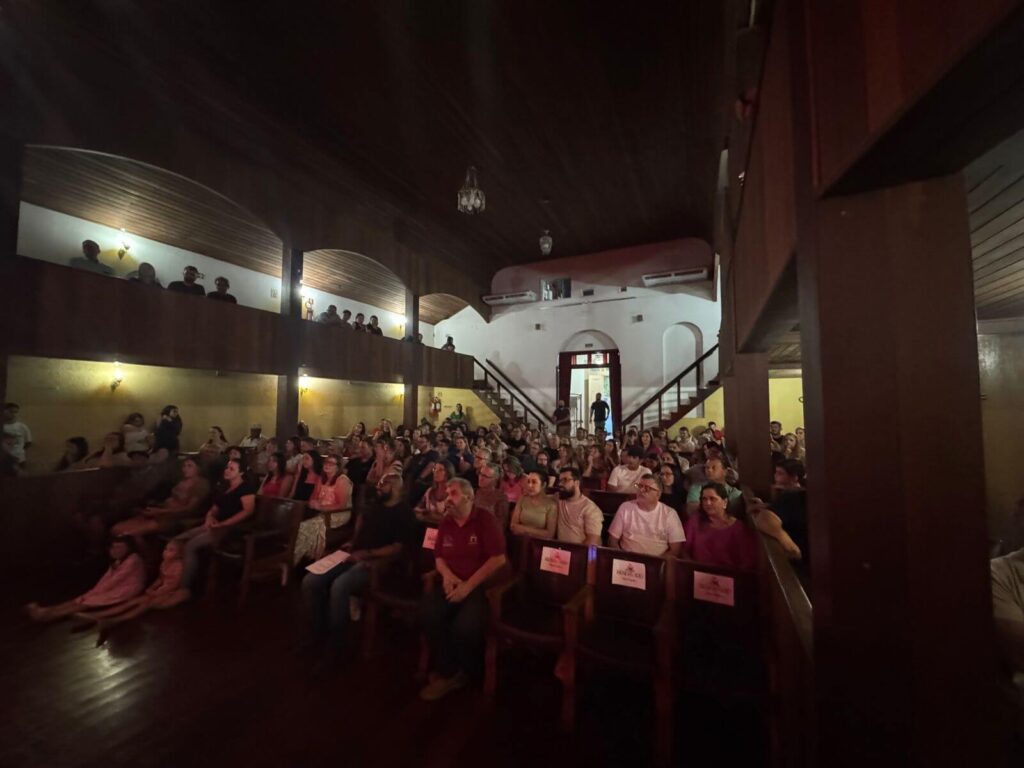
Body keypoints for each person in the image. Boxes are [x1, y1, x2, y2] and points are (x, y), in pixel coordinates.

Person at [302, 470, 414, 657]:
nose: (378, 487)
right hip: (353, 554)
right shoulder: (376, 506)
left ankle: (337, 643)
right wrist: (352, 542)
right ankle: (317, 631)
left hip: (376, 563)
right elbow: (362, 531)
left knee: (340, 585)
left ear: (394, 487)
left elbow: (397, 548)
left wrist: (367, 554)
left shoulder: (404, 513)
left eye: (383, 484)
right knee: (310, 581)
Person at [419, 478, 507, 700]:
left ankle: (466, 671)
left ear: (469, 497)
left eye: (454, 493)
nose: (448, 498)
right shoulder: (446, 522)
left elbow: (498, 559)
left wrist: (467, 586)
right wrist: (447, 576)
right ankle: (448, 670)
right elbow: (439, 556)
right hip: (452, 582)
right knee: (428, 613)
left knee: (465, 626)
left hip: (479, 586)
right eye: (447, 493)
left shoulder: (485, 520)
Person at [73, 540, 190, 640]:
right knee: (133, 601)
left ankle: (114, 620)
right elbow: (161, 578)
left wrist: (156, 592)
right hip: (160, 591)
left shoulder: (178, 567)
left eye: (171, 550)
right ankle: (97, 616)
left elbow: (172, 585)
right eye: (166, 549)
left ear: (179, 555)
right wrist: (152, 588)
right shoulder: (165, 563)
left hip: (170, 593)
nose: (166, 552)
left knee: (145, 603)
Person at [177, 458, 256, 591]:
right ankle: (173, 580)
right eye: (227, 468)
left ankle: (184, 587)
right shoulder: (225, 487)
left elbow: (247, 511)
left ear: (241, 472)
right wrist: (209, 517)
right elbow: (214, 508)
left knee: (190, 546)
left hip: (231, 529)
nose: (227, 471)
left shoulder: (245, 488)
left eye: (231, 469)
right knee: (178, 540)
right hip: (215, 525)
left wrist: (223, 524)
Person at [25, 537, 145, 622]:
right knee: (81, 599)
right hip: (116, 586)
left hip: (127, 589)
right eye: (114, 547)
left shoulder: (132, 560)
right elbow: (107, 578)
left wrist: (97, 592)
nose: (115, 550)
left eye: (120, 547)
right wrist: (96, 590)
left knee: (88, 601)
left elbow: (116, 579)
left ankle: (50, 615)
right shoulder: (118, 560)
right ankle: (48, 611)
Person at [111, 456, 210, 537]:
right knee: (116, 528)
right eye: (184, 465)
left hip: (174, 518)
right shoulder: (182, 480)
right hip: (161, 512)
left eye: (190, 466)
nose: (185, 468)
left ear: (199, 468)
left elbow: (189, 508)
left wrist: (160, 511)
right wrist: (155, 507)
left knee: (126, 534)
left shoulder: (201, 484)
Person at [293, 454, 353, 564]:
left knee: (307, 526)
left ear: (338, 467)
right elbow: (314, 496)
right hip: (320, 511)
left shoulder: (342, 480)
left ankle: (300, 556)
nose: (327, 465)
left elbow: (342, 505)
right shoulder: (321, 478)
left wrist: (322, 507)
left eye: (331, 463)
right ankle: (300, 557)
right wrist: (313, 502)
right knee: (297, 522)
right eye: (326, 462)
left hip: (337, 513)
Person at [607, 473, 685, 556]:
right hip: (627, 558)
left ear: (658, 494)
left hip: (658, 560)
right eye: (640, 486)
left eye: (647, 488)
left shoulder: (670, 514)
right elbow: (612, 541)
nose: (641, 490)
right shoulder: (625, 507)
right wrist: (622, 559)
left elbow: (675, 550)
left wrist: (658, 562)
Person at [684, 484, 759, 570]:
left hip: (728, 575)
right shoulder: (696, 520)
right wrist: (690, 568)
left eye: (712, 499)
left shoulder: (739, 529)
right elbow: (684, 549)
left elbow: (747, 563)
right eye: (704, 499)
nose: (708, 503)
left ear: (725, 502)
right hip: (697, 572)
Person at [555, 467, 604, 545]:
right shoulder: (558, 498)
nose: (560, 484)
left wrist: (577, 552)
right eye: (560, 481)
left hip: (579, 550)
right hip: (558, 549)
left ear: (577, 483)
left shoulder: (590, 509)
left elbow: (593, 540)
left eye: (565, 480)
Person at [509, 470, 558, 539]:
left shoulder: (551, 505)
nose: (529, 485)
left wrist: (523, 529)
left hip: (539, 543)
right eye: (528, 481)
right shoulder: (523, 499)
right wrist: (538, 532)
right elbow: (513, 526)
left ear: (543, 485)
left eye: (534, 482)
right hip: (519, 540)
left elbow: (549, 534)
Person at [473, 461, 509, 529]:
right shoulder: (473, 492)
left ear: (495, 479)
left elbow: (501, 525)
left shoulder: (500, 498)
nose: (481, 478)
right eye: (480, 474)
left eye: (485, 476)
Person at [3, 403, 33, 467]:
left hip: (20, 460)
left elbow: (28, 442)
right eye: (11, 411)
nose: (13, 414)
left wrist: (19, 451)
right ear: (4, 412)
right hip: (3, 461)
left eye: (15, 412)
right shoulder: (2, 427)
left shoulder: (22, 427)